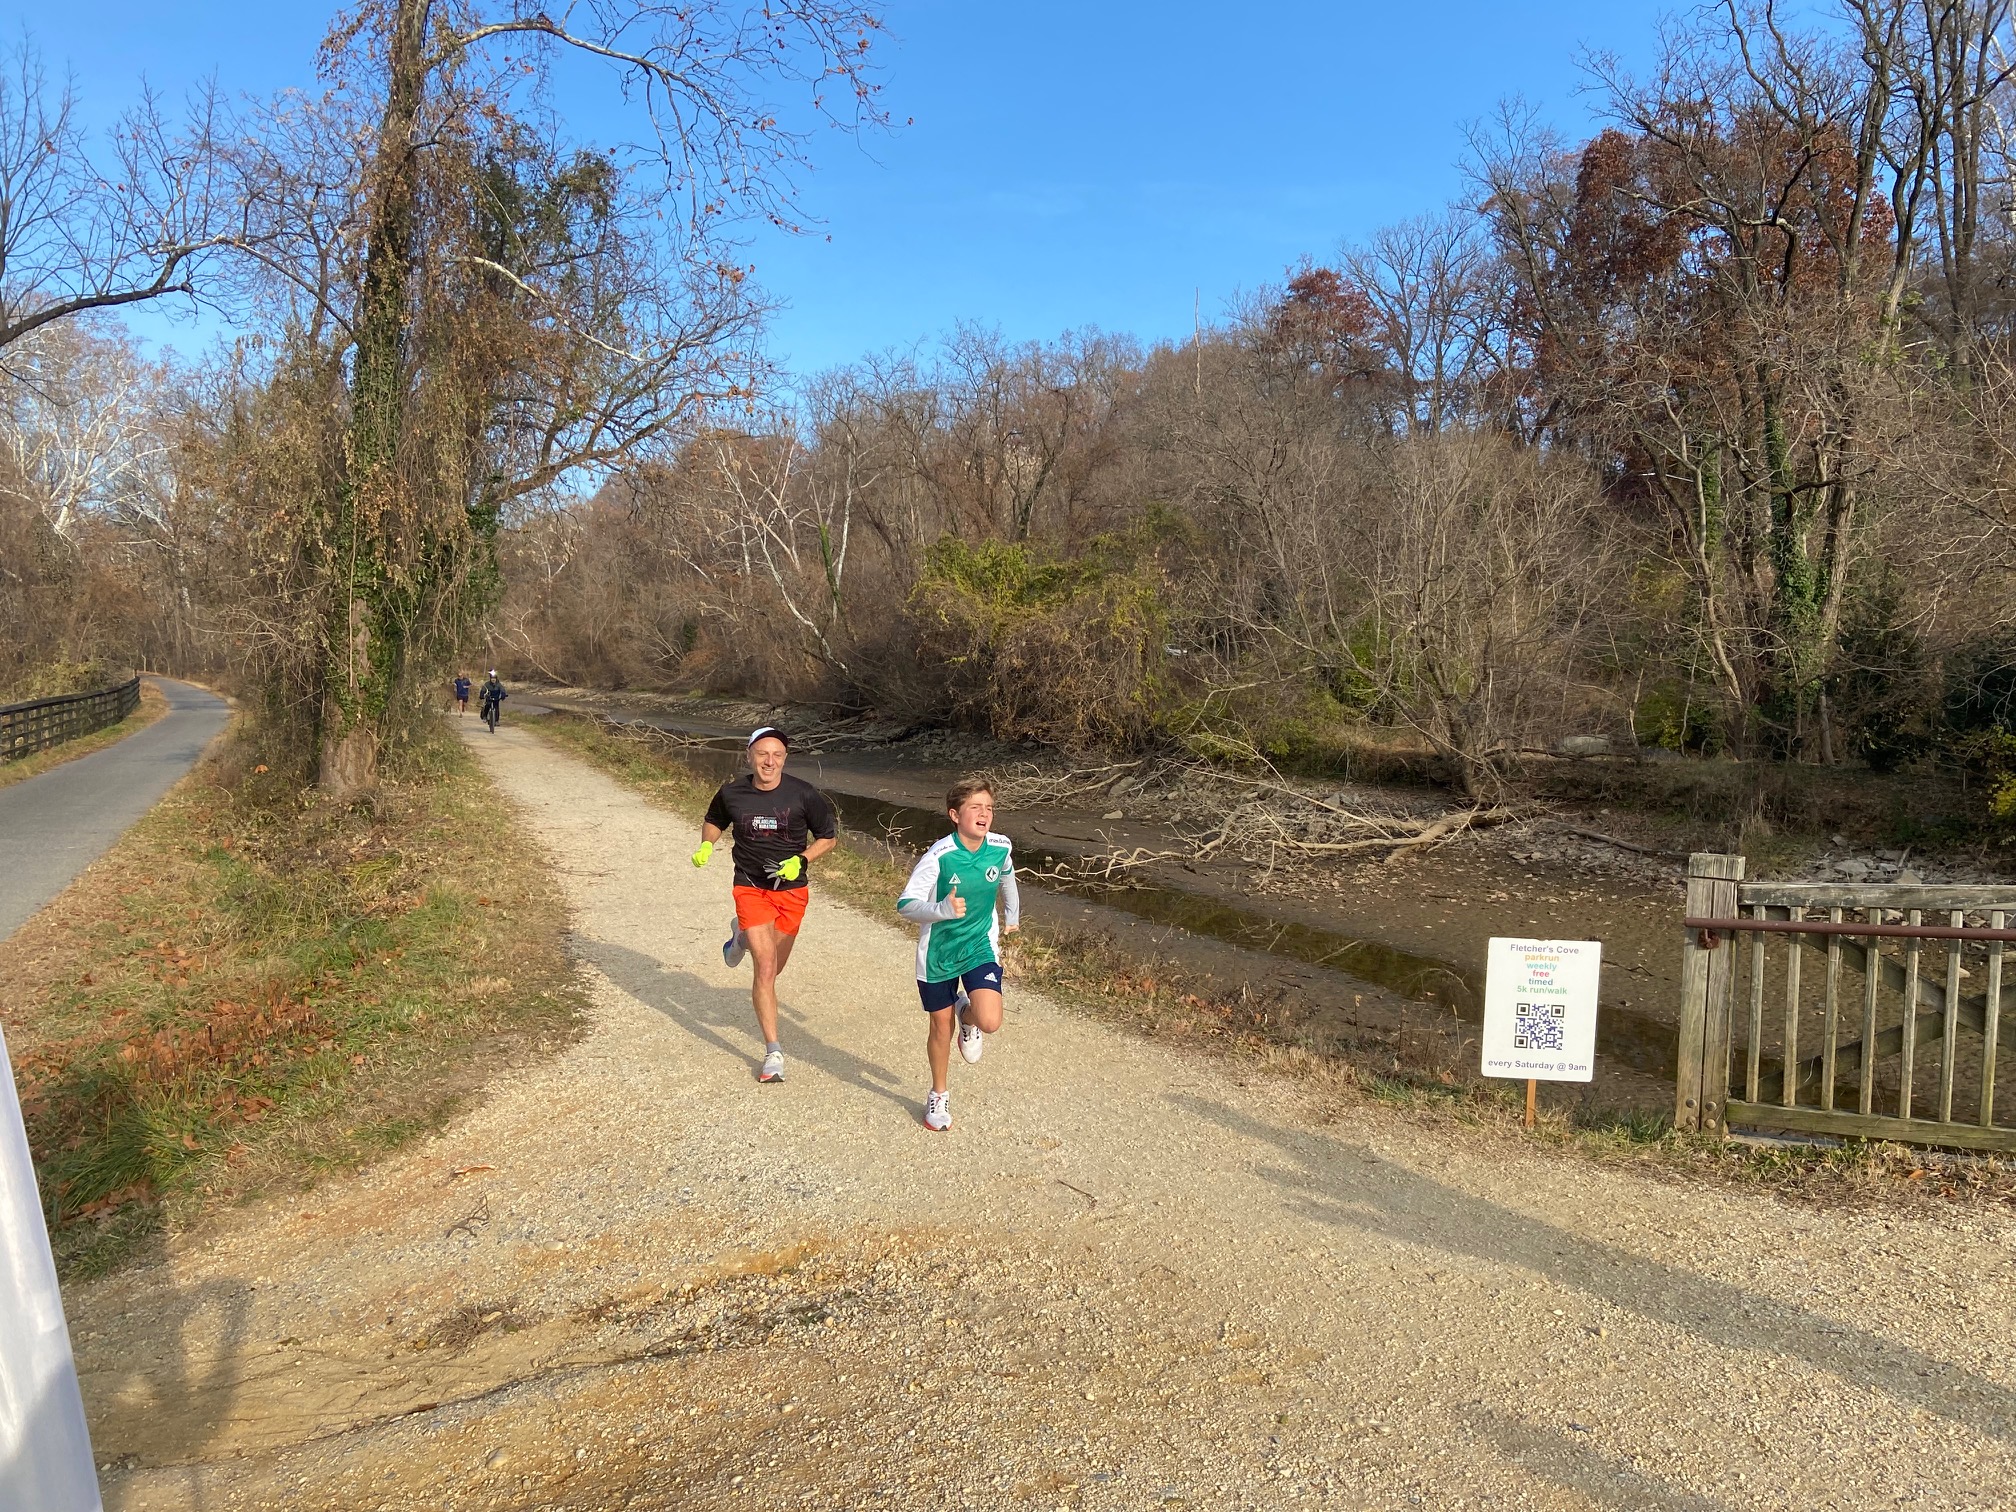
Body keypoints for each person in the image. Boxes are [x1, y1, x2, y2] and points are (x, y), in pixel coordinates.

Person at [693, 727, 838, 1083]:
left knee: (775, 968)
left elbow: (828, 838)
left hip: (791, 891)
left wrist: (801, 860)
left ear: (785, 759)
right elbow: (714, 820)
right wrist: (708, 844)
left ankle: (740, 937)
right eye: (762, 754)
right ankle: (773, 1052)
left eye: (776, 755)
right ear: (749, 756)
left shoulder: (803, 794)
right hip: (751, 885)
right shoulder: (732, 792)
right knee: (766, 966)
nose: (769, 762)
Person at [896, 777, 1019, 1132]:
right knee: (940, 1026)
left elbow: (1007, 877)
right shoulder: (939, 856)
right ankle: (938, 1094)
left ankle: (967, 1014)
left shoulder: (1000, 846)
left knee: (990, 1021)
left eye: (989, 808)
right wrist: (941, 910)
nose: (984, 814)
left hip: (979, 943)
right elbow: (905, 905)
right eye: (975, 807)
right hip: (939, 951)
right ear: (955, 815)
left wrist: (1012, 915)